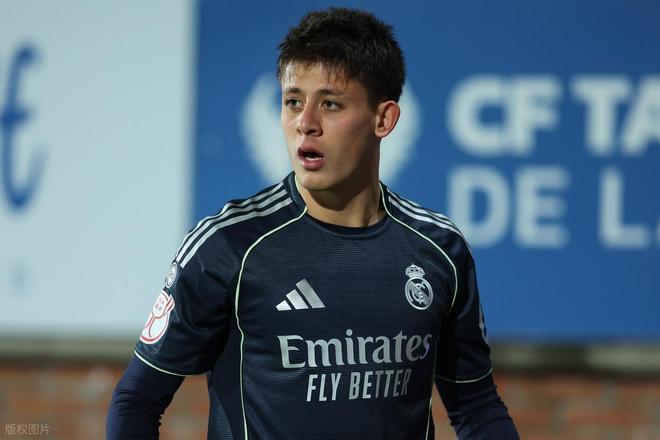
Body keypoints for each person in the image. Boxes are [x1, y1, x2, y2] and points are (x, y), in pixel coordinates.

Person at [107, 7, 519, 440]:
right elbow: (136, 401)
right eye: (293, 102)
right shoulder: (229, 245)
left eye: (330, 104)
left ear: (383, 119)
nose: (305, 124)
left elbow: (476, 407)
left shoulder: (440, 249)